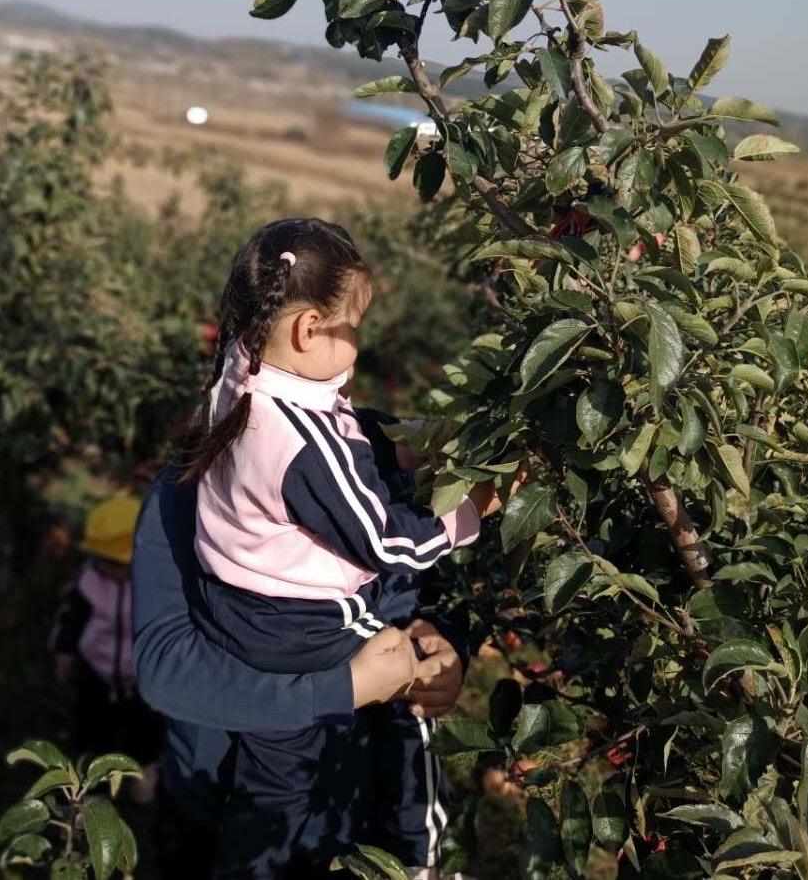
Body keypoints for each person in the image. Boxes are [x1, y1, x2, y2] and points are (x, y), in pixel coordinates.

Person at [175, 218, 505, 880]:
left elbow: (340, 427)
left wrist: (412, 438)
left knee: (274, 780)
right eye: (351, 328)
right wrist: (475, 509)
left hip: (238, 611)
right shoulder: (302, 447)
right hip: (302, 628)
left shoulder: (238, 380)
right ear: (306, 331)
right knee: (402, 663)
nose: (357, 344)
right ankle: (415, 857)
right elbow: (390, 542)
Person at [132, 456, 468, 879]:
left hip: (348, 807)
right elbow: (167, 668)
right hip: (216, 798)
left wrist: (450, 645)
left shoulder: (375, 464)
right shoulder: (187, 490)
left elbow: (433, 590)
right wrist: (343, 689)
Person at [51, 495, 164, 800]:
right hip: (96, 672)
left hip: (141, 674)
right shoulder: (87, 584)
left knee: (145, 730)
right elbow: (70, 620)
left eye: (119, 563)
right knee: (92, 731)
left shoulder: (151, 583)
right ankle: (92, 790)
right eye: (105, 562)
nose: (111, 570)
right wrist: (65, 652)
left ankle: (143, 777)